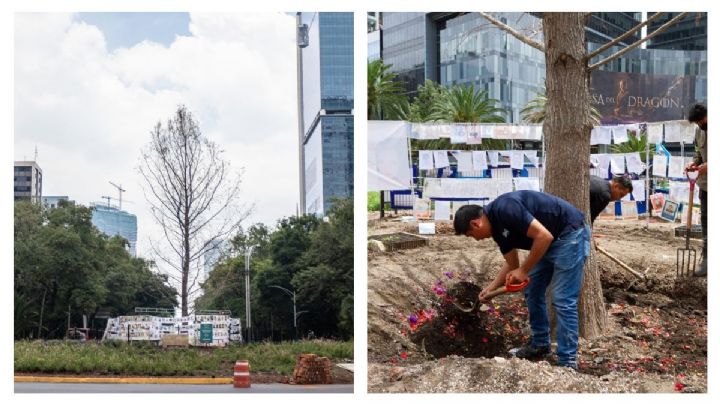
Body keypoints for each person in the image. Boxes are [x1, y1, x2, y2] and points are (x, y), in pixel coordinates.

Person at [454, 191, 590, 370]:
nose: (476, 240)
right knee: (532, 289)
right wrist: (491, 288)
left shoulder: (506, 208)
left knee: (563, 299)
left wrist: (524, 270)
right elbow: (512, 264)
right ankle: (540, 344)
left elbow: (544, 236)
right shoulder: (497, 231)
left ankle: (567, 361)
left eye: (471, 235)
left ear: (475, 223)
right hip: (548, 242)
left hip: (569, 235)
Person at [685, 103, 707, 277]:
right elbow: (698, 152)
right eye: (697, 123)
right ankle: (707, 260)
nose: (700, 125)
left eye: (701, 121)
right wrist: (695, 163)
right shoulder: (699, 131)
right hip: (705, 185)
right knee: (706, 220)